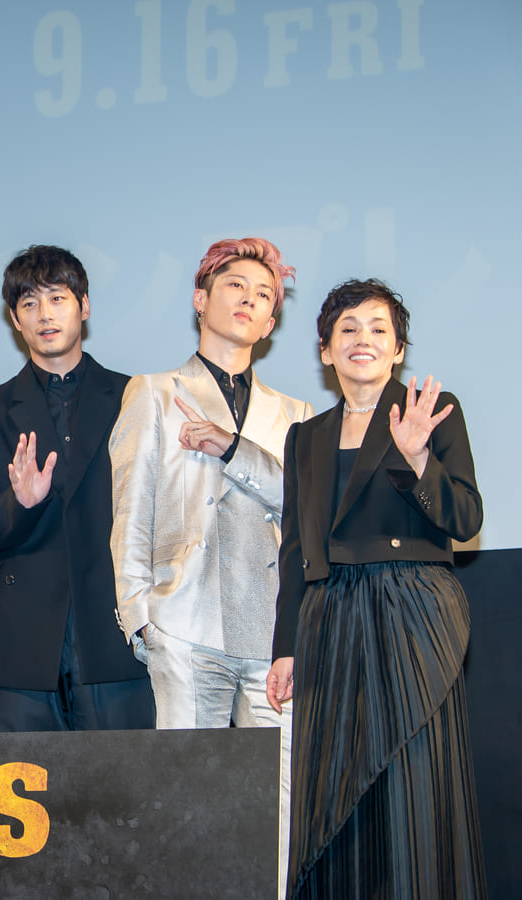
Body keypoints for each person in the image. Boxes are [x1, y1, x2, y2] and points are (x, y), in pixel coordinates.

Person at [268, 279, 485, 898]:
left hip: (412, 609)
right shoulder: (306, 437)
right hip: (329, 618)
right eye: (348, 329)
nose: (362, 339)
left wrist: (417, 460)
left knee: (412, 786)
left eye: (378, 329)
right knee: (332, 794)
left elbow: (466, 519)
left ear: (398, 349)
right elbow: (294, 550)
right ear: (325, 350)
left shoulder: (431, 411)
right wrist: (285, 648)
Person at [110, 237, 311, 895]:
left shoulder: (296, 415)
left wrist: (232, 448)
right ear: (201, 300)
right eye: (235, 287)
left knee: (276, 810)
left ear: (272, 321)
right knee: (184, 799)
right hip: (185, 622)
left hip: (273, 636)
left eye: (264, 295)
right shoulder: (154, 391)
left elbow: (304, 505)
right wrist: (141, 616)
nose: (249, 300)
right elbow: (131, 509)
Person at [0, 245, 151, 732]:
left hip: (116, 634)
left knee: (125, 778)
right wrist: (16, 503)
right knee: (26, 781)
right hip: (20, 646)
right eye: (29, 303)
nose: (45, 315)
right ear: (15, 320)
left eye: (57, 299)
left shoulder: (137, 398)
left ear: (84, 306)